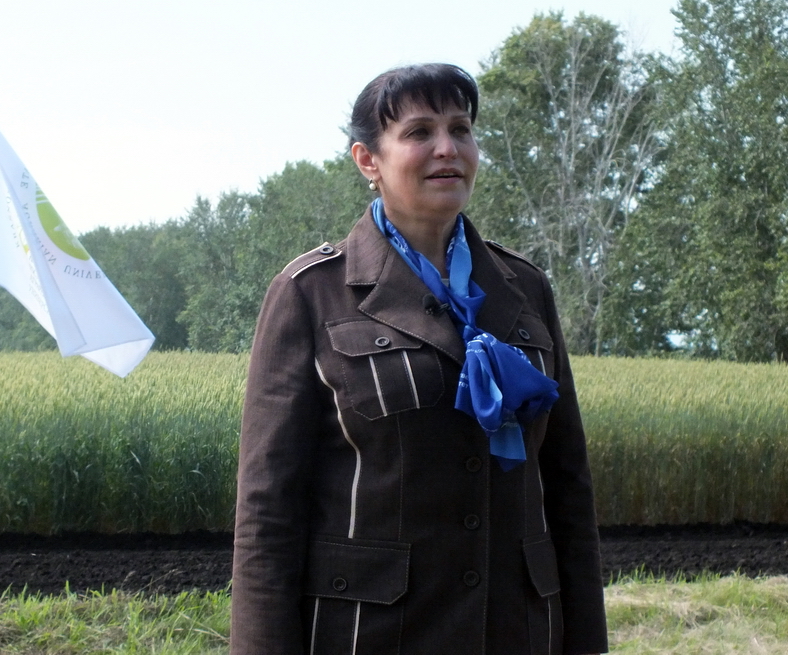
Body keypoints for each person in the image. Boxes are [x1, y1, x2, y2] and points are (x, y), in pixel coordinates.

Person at [231, 63, 608, 655]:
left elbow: (568, 488)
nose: (447, 148)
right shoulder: (312, 292)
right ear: (368, 161)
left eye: (461, 129)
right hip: (370, 634)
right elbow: (267, 511)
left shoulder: (525, 288)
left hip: (517, 630)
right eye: (419, 132)